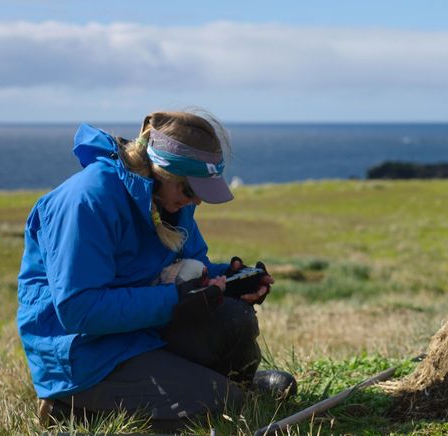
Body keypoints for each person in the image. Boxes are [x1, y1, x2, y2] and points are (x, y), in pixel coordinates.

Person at [16, 110, 296, 430]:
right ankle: (69, 408)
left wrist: (228, 279)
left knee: (236, 318)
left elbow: (189, 266)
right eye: (190, 190)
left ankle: (221, 390)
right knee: (219, 410)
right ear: (161, 171)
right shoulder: (87, 202)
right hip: (83, 354)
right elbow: (78, 310)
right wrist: (176, 301)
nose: (196, 203)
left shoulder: (168, 199)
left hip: (139, 331)